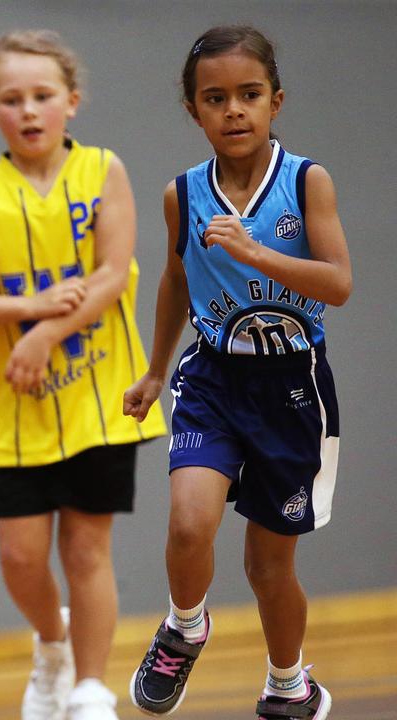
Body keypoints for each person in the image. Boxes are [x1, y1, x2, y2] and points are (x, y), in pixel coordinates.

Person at [0, 30, 166, 720]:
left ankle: (91, 688)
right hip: (21, 407)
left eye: (42, 96)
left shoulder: (103, 172)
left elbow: (113, 273)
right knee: (20, 557)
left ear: (72, 101)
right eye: (12, 99)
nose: (29, 110)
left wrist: (49, 332)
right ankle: (53, 643)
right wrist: (29, 309)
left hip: (100, 394)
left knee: (89, 548)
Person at [122, 25, 351, 720]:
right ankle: (184, 626)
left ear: (275, 100)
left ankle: (290, 683)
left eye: (249, 94)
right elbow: (173, 281)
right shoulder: (181, 195)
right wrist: (155, 370)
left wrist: (256, 255)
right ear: (194, 111)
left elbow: (338, 283)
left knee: (266, 566)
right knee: (190, 524)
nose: (234, 110)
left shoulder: (307, 181)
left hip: (292, 388)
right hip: (214, 378)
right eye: (215, 98)